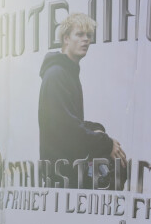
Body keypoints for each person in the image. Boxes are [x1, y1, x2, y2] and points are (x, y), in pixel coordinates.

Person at [38, 12, 126, 189]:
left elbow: (67, 120)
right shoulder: (57, 74)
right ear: (66, 39)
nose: (85, 40)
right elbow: (64, 128)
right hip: (61, 178)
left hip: (67, 175)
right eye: (79, 34)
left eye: (89, 36)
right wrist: (105, 143)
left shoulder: (67, 72)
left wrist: (96, 129)